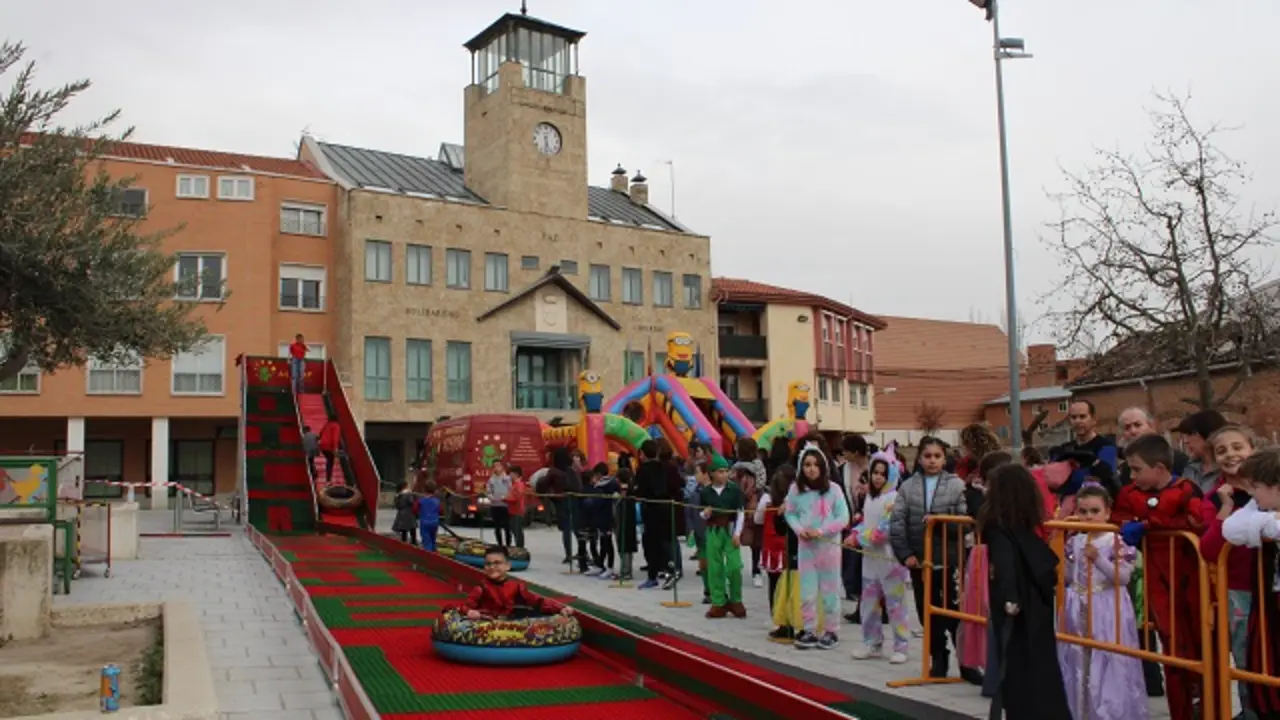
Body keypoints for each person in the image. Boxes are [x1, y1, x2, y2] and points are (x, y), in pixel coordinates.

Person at [1112, 433, 1206, 720]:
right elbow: (1117, 518)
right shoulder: (1130, 493)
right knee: (1172, 646)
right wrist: (1129, 527)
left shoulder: (1186, 489)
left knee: (1203, 645)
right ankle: (1181, 713)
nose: (1132, 474)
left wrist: (1150, 524)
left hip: (1191, 576)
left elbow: (1197, 522)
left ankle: (1208, 707)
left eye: (1137, 468)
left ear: (1160, 468)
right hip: (1158, 578)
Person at [982, 463, 1071, 720]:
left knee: (1016, 667)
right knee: (1040, 666)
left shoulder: (997, 526)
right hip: (1035, 602)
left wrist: (1009, 597)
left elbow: (1004, 562)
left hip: (1016, 605)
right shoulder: (1023, 527)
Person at [1058, 485, 1148, 720]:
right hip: (1077, 602)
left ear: (1107, 512)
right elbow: (1068, 575)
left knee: (1108, 657)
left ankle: (1110, 712)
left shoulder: (1115, 540)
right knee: (1077, 656)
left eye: (1095, 511)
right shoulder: (1074, 540)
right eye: (1083, 511)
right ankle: (1080, 710)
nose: (1088, 517)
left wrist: (1098, 560)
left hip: (1107, 605)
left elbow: (1123, 577)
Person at [890, 436, 974, 680]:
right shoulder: (907, 487)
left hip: (949, 561)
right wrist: (905, 555)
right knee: (927, 613)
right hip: (920, 562)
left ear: (944, 459)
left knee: (954, 613)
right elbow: (897, 523)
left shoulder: (956, 485)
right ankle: (939, 658)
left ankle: (967, 662)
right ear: (919, 459)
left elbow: (965, 524)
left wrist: (939, 522)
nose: (932, 461)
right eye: (927, 456)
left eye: (937, 456)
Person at [1197, 425, 1258, 719]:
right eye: (1222, 451)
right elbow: (1209, 549)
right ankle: (1252, 711)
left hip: (1272, 584)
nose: (1231, 455)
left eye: (1237, 447)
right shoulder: (1213, 498)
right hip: (1239, 591)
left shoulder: (1271, 486)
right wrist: (1226, 507)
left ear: (1252, 449)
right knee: (1247, 660)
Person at [1221, 448, 1280, 718]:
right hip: (1271, 601)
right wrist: (1269, 523)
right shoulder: (1261, 507)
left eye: (1256, 487)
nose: (1252, 494)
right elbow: (1231, 529)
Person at [783, 443, 849, 650]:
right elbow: (790, 512)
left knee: (830, 590)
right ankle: (809, 629)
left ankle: (832, 630)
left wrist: (821, 531)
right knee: (807, 591)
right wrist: (798, 529)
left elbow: (843, 518)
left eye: (815, 464)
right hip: (806, 548)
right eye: (807, 464)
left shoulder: (834, 490)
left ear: (823, 467)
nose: (811, 469)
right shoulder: (795, 490)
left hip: (828, 548)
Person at [848, 454, 910, 664]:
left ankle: (901, 645)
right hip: (870, 561)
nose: (878, 478)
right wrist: (856, 532)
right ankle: (872, 642)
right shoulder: (870, 498)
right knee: (868, 603)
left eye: (883, 474)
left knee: (896, 605)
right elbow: (867, 523)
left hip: (890, 561)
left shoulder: (893, 499)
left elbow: (883, 531)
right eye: (875, 472)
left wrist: (859, 537)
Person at [459, 546, 575, 621]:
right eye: (488, 564)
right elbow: (465, 606)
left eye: (497, 563)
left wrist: (560, 608)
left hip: (510, 624)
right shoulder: (481, 588)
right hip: (487, 624)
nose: (492, 567)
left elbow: (537, 601)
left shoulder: (516, 587)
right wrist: (470, 612)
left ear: (507, 566)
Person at [700, 454, 747, 619]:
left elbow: (741, 512)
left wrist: (737, 533)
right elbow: (701, 513)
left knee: (734, 566)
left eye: (726, 471)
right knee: (715, 567)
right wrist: (705, 514)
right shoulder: (705, 492)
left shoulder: (734, 490)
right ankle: (719, 601)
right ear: (712, 474)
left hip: (730, 529)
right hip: (713, 531)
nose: (724, 475)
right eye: (720, 471)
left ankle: (736, 600)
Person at [759, 464, 799, 643]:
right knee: (790, 586)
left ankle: (778, 618)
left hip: (773, 549)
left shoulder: (767, 498)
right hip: (788, 548)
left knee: (775, 584)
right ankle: (790, 619)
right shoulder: (798, 499)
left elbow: (757, 518)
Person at [634, 440, 673, 590]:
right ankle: (667, 570)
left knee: (650, 542)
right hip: (664, 506)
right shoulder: (664, 467)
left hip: (651, 508)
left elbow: (640, 491)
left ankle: (653, 575)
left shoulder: (643, 469)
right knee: (663, 541)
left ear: (642, 454)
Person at [1174, 409, 1229, 494]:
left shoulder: (1228, 469)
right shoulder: (1189, 468)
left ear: (1209, 434)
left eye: (1191, 434)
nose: (1186, 441)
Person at [584, 463, 619, 578]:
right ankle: (600, 565)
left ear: (598, 474)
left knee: (607, 543)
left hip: (607, 517)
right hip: (599, 517)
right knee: (602, 542)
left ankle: (610, 567)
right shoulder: (600, 486)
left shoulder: (608, 485)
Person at [614, 461, 638, 582]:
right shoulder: (632, 488)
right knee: (628, 546)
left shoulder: (624, 490)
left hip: (623, 520)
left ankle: (625, 571)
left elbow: (619, 503)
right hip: (630, 520)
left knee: (624, 546)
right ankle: (627, 570)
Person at [487, 460, 511, 547]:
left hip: (505, 505)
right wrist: (491, 497)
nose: (497, 468)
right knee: (497, 527)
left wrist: (506, 497)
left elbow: (511, 490)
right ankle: (500, 544)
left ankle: (508, 545)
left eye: (498, 465)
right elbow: (489, 491)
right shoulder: (491, 480)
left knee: (507, 527)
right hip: (495, 505)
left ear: (502, 467)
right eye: (495, 466)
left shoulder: (507, 479)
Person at [505, 465, 528, 549]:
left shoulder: (519, 485)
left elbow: (516, 497)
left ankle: (520, 548)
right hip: (513, 510)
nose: (509, 476)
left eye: (510, 474)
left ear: (515, 474)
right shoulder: (515, 484)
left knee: (517, 531)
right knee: (515, 530)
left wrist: (505, 498)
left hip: (517, 511)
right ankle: (519, 547)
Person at [418, 482, 441, 551]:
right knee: (433, 539)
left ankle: (428, 557)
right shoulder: (437, 501)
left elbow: (414, 509)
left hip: (425, 523)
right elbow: (440, 511)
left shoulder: (421, 501)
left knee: (427, 541)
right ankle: (434, 554)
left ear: (424, 490)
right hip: (434, 522)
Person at [317, 419, 342, 485]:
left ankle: (328, 480)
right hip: (329, 447)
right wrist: (335, 449)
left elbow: (320, 434)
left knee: (329, 461)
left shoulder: (326, 425)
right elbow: (335, 438)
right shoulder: (336, 425)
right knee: (330, 462)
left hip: (322, 446)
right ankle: (328, 480)